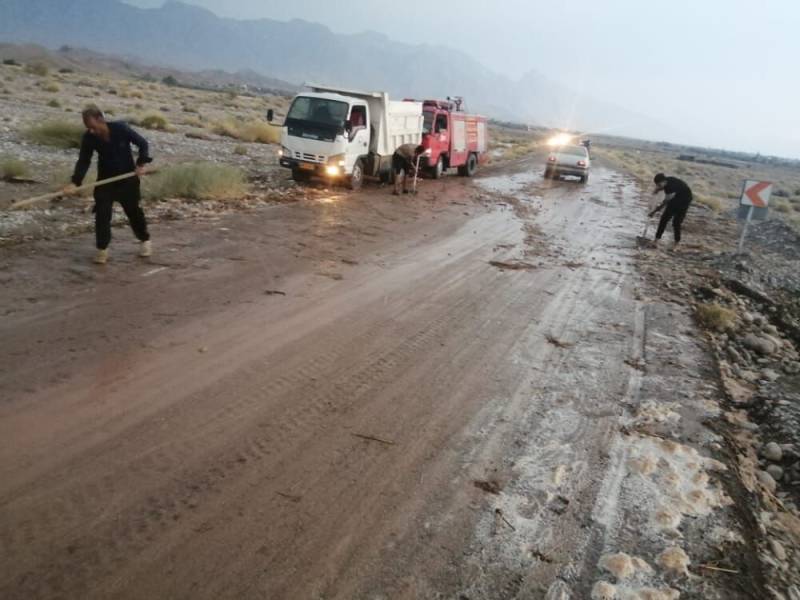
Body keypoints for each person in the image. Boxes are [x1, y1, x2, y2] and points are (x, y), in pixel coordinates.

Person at [63, 106, 153, 264]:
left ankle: (145, 240)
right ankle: (102, 249)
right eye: (88, 128)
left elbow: (143, 144)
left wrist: (140, 164)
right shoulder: (89, 137)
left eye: (93, 127)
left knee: (134, 213)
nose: (91, 131)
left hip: (128, 181)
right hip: (105, 181)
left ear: (100, 119)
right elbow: (84, 161)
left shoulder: (120, 128)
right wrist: (75, 182)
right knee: (102, 214)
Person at [650, 172, 693, 249]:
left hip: (685, 199)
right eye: (657, 185)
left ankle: (677, 243)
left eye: (659, 185)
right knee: (664, 219)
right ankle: (656, 240)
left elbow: (665, 202)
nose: (658, 186)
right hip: (677, 196)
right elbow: (662, 187)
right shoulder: (666, 180)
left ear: (664, 181)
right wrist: (657, 190)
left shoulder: (670, 187)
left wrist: (654, 212)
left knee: (676, 222)